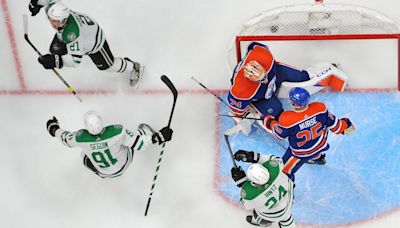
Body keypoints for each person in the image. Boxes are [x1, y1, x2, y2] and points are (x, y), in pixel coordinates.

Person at [227, 42, 348, 135]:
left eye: (263, 76)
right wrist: (242, 117)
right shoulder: (241, 91)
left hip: (276, 72)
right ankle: (294, 130)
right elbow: (236, 110)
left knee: (303, 76)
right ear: (251, 80)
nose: (264, 80)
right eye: (260, 80)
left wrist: (266, 77)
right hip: (262, 99)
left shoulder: (264, 56)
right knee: (279, 117)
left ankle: (329, 68)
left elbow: (253, 45)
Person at [28, 0, 144, 87]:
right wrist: (36, 2)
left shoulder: (72, 34)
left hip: (94, 43)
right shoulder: (55, 9)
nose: (51, 23)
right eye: (50, 19)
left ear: (63, 20)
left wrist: (56, 61)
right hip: (77, 32)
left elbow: (75, 61)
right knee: (54, 52)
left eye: (55, 21)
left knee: (108, 66)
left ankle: (134, 67)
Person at [263, 87, 355, 181]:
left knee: (284, 171)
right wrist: (346, 124)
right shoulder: (320, 108)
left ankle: (288, 188)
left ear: (293, 103)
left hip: (301, 153)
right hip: (320, 144)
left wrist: (269, 121)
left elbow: (280, 135)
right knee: (315, 148)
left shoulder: (287, 119)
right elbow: (336, 126)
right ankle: (318, 159)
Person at [46, 110, 173, 178]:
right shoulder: (116, 131)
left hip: (104, 173)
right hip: (123, 164)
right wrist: (158, 137)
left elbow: (65, 139)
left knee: (83, 154)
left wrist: (53, 129)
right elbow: (141, 145)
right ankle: (146, 132)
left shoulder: (80, 137)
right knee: (131, 137)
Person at [231, 150, 295, 227]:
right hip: (288, 200)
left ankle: (261, 221)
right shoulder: (276, 168)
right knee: (287, 217)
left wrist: (241, 182)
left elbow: (245, 205)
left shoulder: (250, 194)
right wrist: (256, 157)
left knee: (258, 215)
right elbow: (277, 159)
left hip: (272, 215)